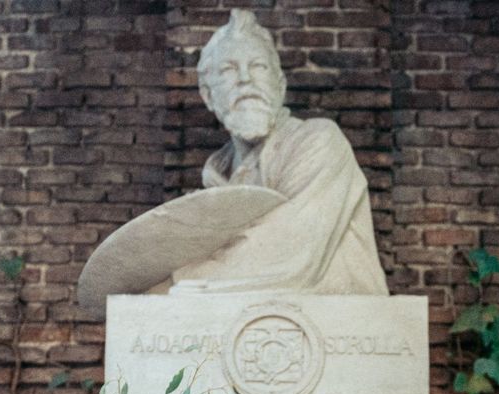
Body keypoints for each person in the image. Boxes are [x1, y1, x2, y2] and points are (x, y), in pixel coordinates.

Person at [167, 10, 389, 296]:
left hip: (341, 323)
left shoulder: (320, 141)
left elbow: (290, 249)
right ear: (209, 96)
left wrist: (181, 276)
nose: (245, 80)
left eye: (258, 67)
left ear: (280, 87)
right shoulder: (218, 178)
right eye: (229, 70)